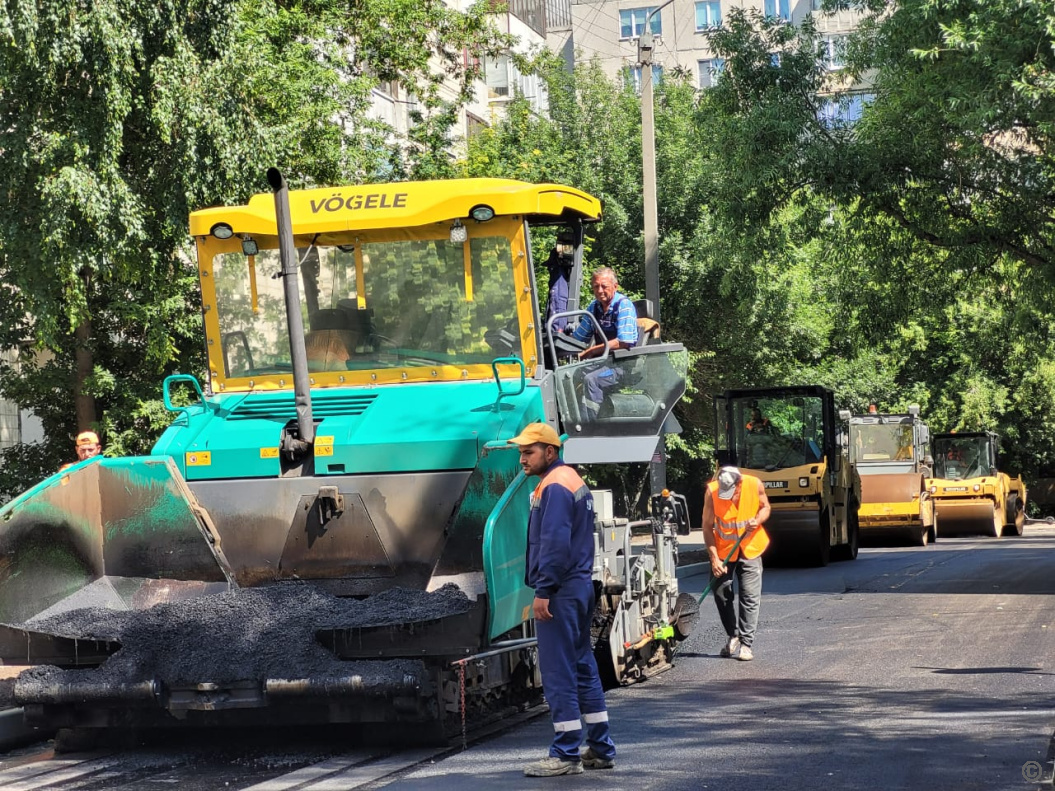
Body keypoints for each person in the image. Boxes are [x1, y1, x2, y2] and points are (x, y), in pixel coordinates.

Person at [509, 422, 616, 777]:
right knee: (583, 666)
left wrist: (543, 591)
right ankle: (600, 748)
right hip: (579, 586)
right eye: (521, 452)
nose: (522, 459)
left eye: (529, 452)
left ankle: (566, 754)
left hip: (560, 591)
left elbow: (554, 543)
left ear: (550, 452)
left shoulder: (553, 486)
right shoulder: (572, 480)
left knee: (557, 671)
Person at [702, 465, 772, 662]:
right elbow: (707, 527)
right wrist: (714, 558)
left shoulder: (754, 484)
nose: (727, 495)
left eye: (731, 491)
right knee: (721, 593)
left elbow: (765, 507)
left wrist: (757, 520)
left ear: (739, 485)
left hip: (750, 548)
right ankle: (733, 635)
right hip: (724, 551)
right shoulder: (712, 491)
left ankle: (746, 644)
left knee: (749, 596)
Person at [570, 268, 638, 420]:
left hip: (621, 366)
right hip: (601, 362)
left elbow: (623, 341)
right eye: (596, 286)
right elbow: (578, 337)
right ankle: (572, 419)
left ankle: (589, 426)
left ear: (615, 286)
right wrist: (561, 341)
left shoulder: (624, 306)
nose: (600, 290)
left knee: (591, 379)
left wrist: (592, 351)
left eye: (604, 286)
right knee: (570, 375)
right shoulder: (594, 308)